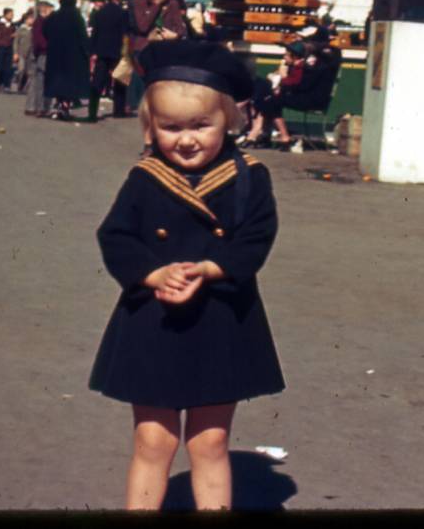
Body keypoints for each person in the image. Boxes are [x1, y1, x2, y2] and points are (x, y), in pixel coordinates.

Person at [89, 39, 284, 511]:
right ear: (150, 127)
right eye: (171, 127)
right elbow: (115, 235)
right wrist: (152, 274)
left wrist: (214, 268)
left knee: (209, 443)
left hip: (220, 319)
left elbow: (257, 237)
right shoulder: (145, 176)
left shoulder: (248, 177)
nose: (187, 138)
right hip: (153, 322)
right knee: (153, 444)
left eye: (201, 125)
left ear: (229, 120)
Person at [42, 0, 91, 119]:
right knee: (70, 83)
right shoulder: (77, 17)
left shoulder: (54, 16)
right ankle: (65, 106)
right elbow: (83, 37)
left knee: (58, 82)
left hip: (56, 55)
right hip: (73, 56)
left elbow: (45, 31)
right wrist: (87, 51)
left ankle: (59, 104)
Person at [90, 0, 131, 121]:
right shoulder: (122, 13)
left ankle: (93, 112)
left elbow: (95, 34)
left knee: (98, 82)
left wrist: (93, 51)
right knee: (119, 80)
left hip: (102, 51)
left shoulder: (99, 13)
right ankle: (118, 111)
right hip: (117, 51)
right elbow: (125, 34)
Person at [25, 0, 54, 117]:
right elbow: (39, 40)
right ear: (45, 9)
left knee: (36, 81)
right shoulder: (41, 22)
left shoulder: (40, 22)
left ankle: (32, 107)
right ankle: (40, 107)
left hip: (39, 53)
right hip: (42, 54)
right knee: (40, 82)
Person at [0, 7, 17, 93]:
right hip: (0, 46)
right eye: (10, 14)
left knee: (8, 67)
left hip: (9, 47)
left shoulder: (12, 25)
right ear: (5, 14)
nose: (11, 16)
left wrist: (13, 36)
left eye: (12, 14)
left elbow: (14, 34)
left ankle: (7, 85)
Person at [13, 7, 35, 93]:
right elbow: (16, 42)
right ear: (25, 20)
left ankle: (24, 88)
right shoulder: (21, 29)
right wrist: (15, 53)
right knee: (21, 70)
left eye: (32, 19)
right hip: (21, 53)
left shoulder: (34, 30)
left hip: (31, 53)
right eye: (29, 19)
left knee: (28, 72)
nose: (31, 21)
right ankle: (19, 85)